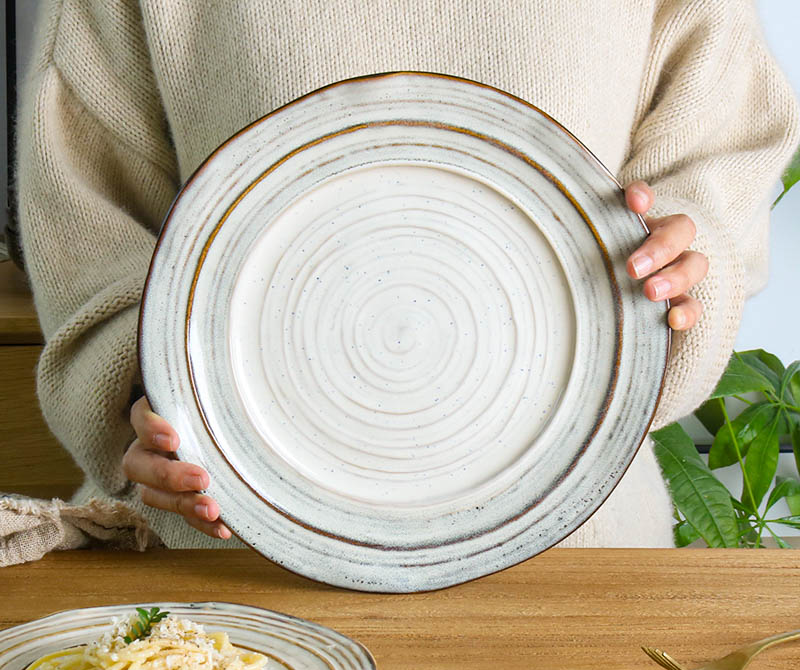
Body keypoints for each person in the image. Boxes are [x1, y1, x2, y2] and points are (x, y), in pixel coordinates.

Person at [16, 0, 800, 551]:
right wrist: (138, 409)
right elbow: (88, 225)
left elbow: (718, 162)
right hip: (228, 575)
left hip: (578, 567)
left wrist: (687, 263)